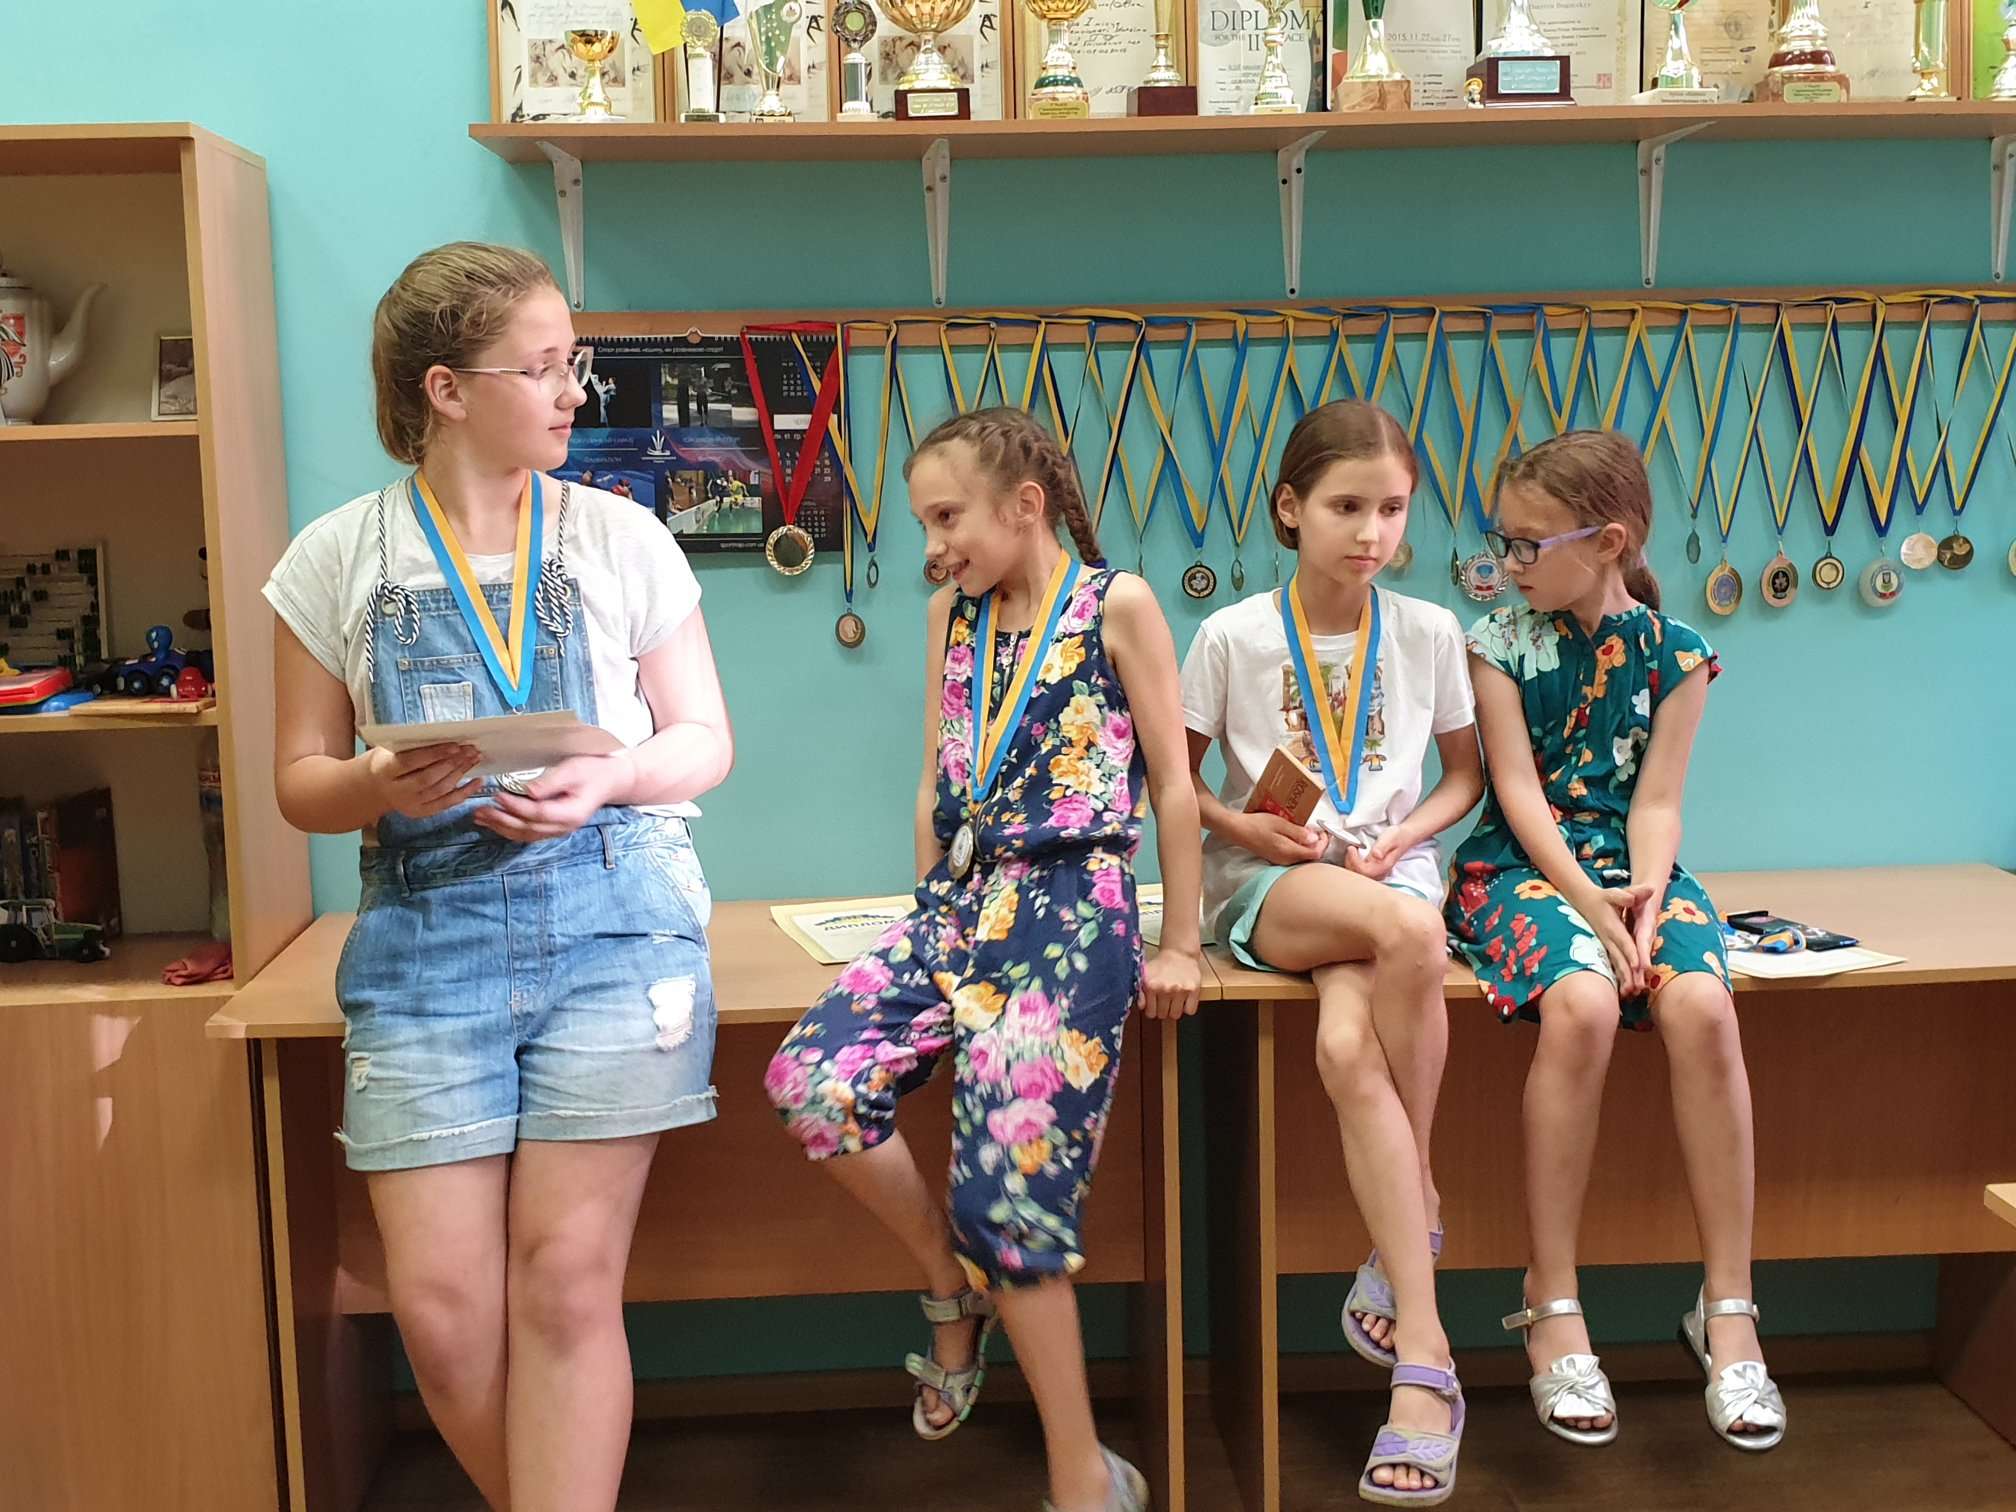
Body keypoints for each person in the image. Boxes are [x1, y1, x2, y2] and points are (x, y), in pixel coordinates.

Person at [266, 241, 734, 1511]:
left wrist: (612, 777)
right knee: (442, 1312)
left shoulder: (623, 536)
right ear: (447, 389)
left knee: (568, 1284)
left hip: (615, 916)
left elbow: (703, 739)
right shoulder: (335, 557)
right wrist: (375, 784)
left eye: (572, 361)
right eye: (544, 367)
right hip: (425, 939)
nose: (576, 390)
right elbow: (299, 780)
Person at [765, 406, 1203, 1512]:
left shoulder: (1118, 604)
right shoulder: (949, 615)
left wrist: (1182, 941)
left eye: (947, 517)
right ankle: (945, 1285)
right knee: (813, 1084)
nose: (934, 544)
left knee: (1008, 1207)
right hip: (960, 901)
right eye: (924, 523)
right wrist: (928, 908)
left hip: (1072, 909)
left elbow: (1174, 786)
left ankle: (1082, 1474)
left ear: (1026, 505)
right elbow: (933, 780)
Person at [1447, 430, 1785, 1453]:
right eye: (1503, 542)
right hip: (1520, 868)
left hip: (1634, 867)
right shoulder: (1497, 642)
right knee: (1586, 1000)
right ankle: (1552, 1300)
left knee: (1702, 1004)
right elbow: (1516, 793)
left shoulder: (1678, 654)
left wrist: (1637, 901)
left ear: (1609, 542)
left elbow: (1659, 802)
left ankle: (1729, 1309)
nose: (1510, 562)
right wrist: (1590, 908)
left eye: (1528, 543)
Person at [1180, 400, 1481, 1505]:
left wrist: (1406, 834)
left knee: (1348, 1051)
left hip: (1387, 873)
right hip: (1278, 883)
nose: (1371, 532)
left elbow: (1462, 777)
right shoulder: (1232, 636)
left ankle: (1423, 1358)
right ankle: (1426, 1198)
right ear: (1290, 509)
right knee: (1410, 929)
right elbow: (1175, 785)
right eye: (1348, 506)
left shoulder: (1431, 631)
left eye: (1392, 509)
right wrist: (1246, 828)